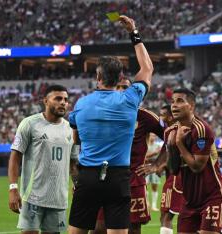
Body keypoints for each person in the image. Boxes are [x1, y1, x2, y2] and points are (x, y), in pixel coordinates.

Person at [67, 15, 154, 234]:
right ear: (120, 78)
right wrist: (133, 33)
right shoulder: (130, 99)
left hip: (88, 176)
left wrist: (75, 170)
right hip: (118, 177)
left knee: (76, 231)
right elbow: (147, 67)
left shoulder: (82, 104)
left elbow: (75, 136)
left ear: (98, 76)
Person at [92, 77, 165, 234]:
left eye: (125, 87)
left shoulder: (145, 116)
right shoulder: (100, 114)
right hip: (105, 179)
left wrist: (157, 164)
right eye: (116, 86)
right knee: (98, 229)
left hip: (133, 181)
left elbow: (170, 136)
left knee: (132, 229)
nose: (120, 90)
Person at [8, 85, 79, 234]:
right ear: (45, 101)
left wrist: (77, 184)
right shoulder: (30, 123)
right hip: (32, 197)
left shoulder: (71, 129)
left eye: (66, 100)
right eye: (58, 98)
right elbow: (15, 157)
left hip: (58, 198)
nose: (63, 103)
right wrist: (13, 188)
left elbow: (73, 163)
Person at [165, 88, 222, 234]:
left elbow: (196, 166)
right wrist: (171, 146)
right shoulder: (170, 132)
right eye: (172, 102)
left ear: (191, 106)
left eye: (180, 101)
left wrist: (179, 143)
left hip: (211, 196)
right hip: (189, 200)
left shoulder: (201, 129)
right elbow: (173, 169)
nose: (174, 105)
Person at [137, 105, 185, 234]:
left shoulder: (178, 131)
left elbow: (176, 153)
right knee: (183, 216)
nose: (160, 118)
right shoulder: (169, 132)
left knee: (166, 216)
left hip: (176, 178)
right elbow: (166, 150)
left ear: (170, 117)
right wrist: (159, 165)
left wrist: (160, 166)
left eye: (163, 115)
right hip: (174, 177)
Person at [145, 133, 162, 212]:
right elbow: (144, 157)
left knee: (154, 186)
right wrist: (154, 153)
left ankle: (154, 205)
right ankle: (147, 203)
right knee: (146, 186)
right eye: (152, 135)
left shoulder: (158, 146)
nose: (153, 137)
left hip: (155, 167)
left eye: (155, 136)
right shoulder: (145, 145)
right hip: (145, 167)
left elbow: (160, 157)